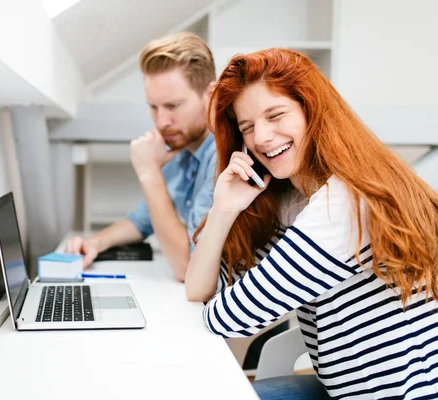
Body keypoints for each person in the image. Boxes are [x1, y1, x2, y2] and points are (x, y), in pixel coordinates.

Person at [185, 48, 438, 399]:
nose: (261, 138)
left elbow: (227, 317)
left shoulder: (342, 204)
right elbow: (200, 292)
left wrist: (223, 298)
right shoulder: (289, 201)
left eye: (275, 115)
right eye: (248, 127)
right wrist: (223, 209)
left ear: (311, 111)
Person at [65, 32, 217, 282]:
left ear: (210, 94)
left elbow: (188, 268)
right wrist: (94, 243)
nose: (161, 122)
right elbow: (141, 221)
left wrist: (149, 173)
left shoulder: (224, 157)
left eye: (173, 106)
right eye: (153, 107)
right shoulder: (181, 147)